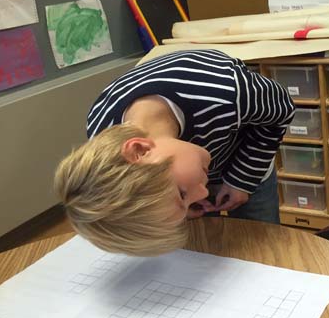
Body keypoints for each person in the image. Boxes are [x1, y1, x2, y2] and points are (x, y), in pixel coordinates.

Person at [55, 49, 295, 256]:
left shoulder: (226, 90)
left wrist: (242, 180)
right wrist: (179, 209)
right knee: (203, 250)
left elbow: (281, 110)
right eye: (185, 199)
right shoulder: (105, 141)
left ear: (140, 150)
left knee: (260, 238)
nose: (202, 194)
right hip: (198, 158)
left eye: (182, 193)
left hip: (245, 158)